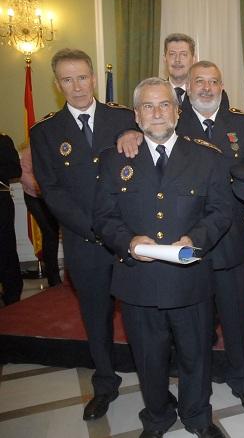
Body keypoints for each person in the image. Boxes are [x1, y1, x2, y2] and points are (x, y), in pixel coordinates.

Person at [116, 61, 244, 412]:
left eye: (214, 81)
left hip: (227, 240)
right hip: (176, 246)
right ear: (186, 89)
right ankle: (190, 384)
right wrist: (128, 133)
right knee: (190, 326)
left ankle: (243, 380)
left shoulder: (243, 124)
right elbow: (144, 132)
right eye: (200, 81)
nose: (207, 87)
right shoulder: (169, 118)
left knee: (235, 318)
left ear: (222, 85)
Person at [94, 77, 231, 438]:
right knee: (148, 359)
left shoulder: (206, 157)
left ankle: (198, 415)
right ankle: (157, 417)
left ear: (177, 110)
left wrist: (195, 239)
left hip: (190, 279)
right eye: (149, 107)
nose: (157, 113)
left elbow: (220, 212)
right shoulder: (113, 159)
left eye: (165, 105)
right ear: (137, 116)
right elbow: (103, 217)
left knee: (196, 355)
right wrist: (128, 242)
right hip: (138, 280)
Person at [31, 48, 137, 420]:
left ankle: (154, 382)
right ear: (57, 83)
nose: (76, 86)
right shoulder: (45, 131)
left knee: (141, 315)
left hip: (129, 241)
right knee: (96, 315)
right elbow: (52, 190)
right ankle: (105, 382)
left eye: (82, 77)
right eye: (67, 79)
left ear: (93, 77)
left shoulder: (126, 118)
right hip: (86, 242)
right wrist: (94, 228)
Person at [20, 144, 62, 288]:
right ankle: (53, 276)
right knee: (50, 232)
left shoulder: (57, 145)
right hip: (34, 197)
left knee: (55, 233)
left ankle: (61, 274)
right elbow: (23, 173)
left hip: (52, 196)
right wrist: (41, 187)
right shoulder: (30, 151)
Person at [0, 132, 23, 305]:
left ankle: (12, 295)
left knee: (5, 247)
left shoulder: (3, 140)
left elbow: (15, 170)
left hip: (0, 201)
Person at [163, 33, 197, 103]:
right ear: (164, 59)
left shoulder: (207, 94)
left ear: (194, 60)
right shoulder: (152, 93)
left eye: (183, 54)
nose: (177, 60)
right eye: (172, 54)